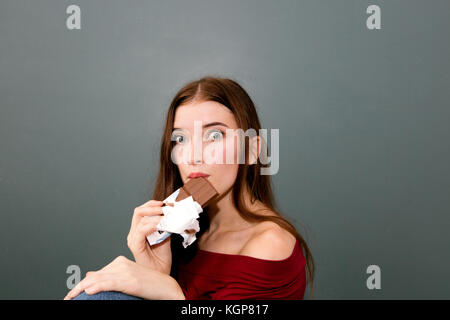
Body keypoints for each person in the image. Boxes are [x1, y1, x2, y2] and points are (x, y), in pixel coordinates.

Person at [64, 76, 315, 300]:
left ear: (251, 150)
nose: (193, 155)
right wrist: (154, 270)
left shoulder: (270, 244)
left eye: (214, 135)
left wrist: (169, 292)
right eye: (181, 138)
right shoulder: (188, 230)